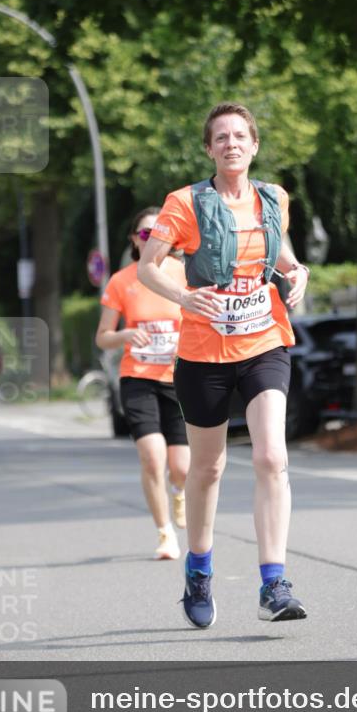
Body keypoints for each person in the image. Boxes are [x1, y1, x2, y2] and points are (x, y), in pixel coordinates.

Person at [138, 102, 310, 627]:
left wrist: (297, 271)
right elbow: (149, 268)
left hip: (264, 342)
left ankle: (274, 583)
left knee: (270, 458)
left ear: (254, 145)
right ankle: (199, 569)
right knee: (208, 467)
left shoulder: (273, 197)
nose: (232, 143)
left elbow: (279, 254)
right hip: (204, 353)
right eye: (221, 137)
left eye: (241, 136)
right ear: (209, 148)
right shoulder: (185, 203)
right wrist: (184, 298)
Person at [96, 207, 190, 561]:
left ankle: (179, 490)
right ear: (135, 240)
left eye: (158, 232)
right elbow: (102, 337)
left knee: (182, 466)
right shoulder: (122, 281)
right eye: (144, 233)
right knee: (152, 458)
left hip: (179, 379)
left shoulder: (183, 274)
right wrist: (125, 334)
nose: (151, 238)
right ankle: (165, 533)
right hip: (137, 378)